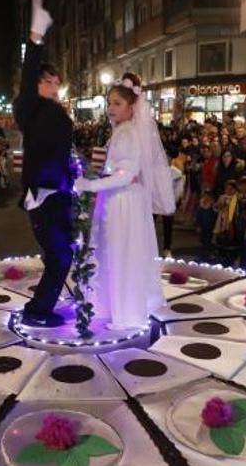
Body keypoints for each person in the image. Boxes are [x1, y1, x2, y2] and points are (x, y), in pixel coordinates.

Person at [75, 73, 175, 329]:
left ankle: (126, 314)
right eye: (110, 103)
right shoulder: (121, 131)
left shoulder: (129, 133)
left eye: (117, 103)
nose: (111, 108)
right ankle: (113, 307)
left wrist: (90, 185)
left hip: (123, 202)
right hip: (119, 199)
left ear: (132, 107)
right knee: (115, 253)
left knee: (121, 254)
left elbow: (126, 174)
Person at [13, 0, 74, 328]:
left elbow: (59, 150)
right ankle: (38, 311)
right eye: (45, 81)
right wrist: (35, 37)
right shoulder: (30, 109)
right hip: (44, 194)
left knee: (62, 254)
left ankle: (41, 305)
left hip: (58, 193)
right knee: (60, 255)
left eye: (55, 81)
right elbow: (27, 76)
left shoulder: (55, 111)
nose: (52, 85)